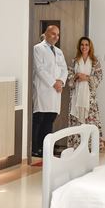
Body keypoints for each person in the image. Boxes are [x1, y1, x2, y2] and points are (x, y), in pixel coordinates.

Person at [32, 25, 68, 159]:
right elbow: (39, 69)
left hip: (56, 90)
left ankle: (45, 149)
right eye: (53, 34)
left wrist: (61, 82)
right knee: (39, 118)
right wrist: (54, 83)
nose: (56, 37)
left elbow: (64, 69)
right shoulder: (37, 48)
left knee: (50, 119)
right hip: (43, 88)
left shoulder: (59, 51)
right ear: (46, 34)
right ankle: (35, 148)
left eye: (57, 35)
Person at [66, 36, 104, 150]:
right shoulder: (74, 61)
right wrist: (76, 76)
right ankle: (76, 147)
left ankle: (91, 147)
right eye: (82, 45)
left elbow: (99, 77)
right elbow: (69, 77)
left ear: (90, 46)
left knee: (90, 122)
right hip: (76, 97)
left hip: (89, 99)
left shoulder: (95, 62)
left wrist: (86, 78)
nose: (84, 47)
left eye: (86, 45)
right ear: (79, 46)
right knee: (76, 122)